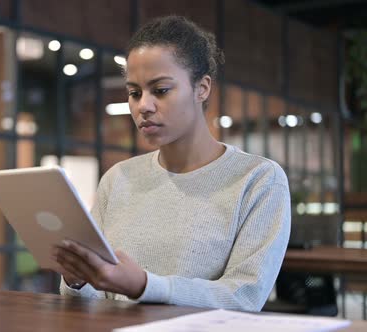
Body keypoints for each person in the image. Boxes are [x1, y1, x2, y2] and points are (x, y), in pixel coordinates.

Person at [52, 15, 291, 312]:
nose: (144, 106)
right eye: (134, 93)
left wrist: (144, 285)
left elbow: (243, 298)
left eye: (161, 90)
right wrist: (78, 279)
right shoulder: (119, 178)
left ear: (202, 88)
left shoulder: (258, 180)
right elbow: (91, 303)